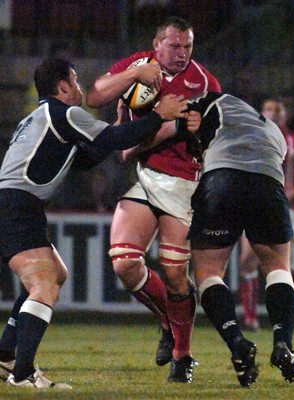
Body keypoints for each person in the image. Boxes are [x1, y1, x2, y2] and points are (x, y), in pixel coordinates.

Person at [0, 57, 188, 388]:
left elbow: (87, 158)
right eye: (75, 81)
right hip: (17, 205)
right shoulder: (65, 113)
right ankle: (23, 372)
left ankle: (5, 355)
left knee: (54, 275)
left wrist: (117, 125)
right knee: (44, 284)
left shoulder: (40, 118)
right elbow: (113, 141)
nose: (80, 88)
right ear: (62, 87)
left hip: (16, 204)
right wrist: (160, 115)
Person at [86, 15, 221, 383]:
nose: (181, 54)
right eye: (174, 46)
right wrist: (134, 77)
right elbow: (94, 95)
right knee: (124, 263)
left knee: (176, 275)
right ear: (157, 44)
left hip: (184, 184)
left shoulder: (204, 82)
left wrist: (188, 128)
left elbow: (212, 139)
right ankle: (167, 322)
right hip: (146, 179)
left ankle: (183, 355)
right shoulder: (139, 65)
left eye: (188, 47)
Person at [182, 91, 294, 387]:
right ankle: (283, 341)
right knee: (278, 267)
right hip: (269, 185)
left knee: (209, 273)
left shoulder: (214, 100)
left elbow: (183, 119)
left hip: (223, 180)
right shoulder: (273, 130)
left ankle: (237, 342)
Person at [239, 99, 294, 331]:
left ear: (283, 114)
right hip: (256, 205)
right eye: (265, 109)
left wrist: (289, 195)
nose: (268, 113)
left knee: (280, 263)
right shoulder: (254, 138)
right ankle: (250, 319)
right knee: (247, 261)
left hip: (287, 207)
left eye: (273, 109)